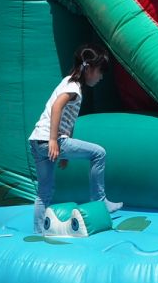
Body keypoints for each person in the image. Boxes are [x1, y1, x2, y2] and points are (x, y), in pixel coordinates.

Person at [27, 44, 121, 234]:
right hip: (49, 140)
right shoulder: (73, 87)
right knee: (99, 153)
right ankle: (100, 200)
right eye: (100, 72)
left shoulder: (68, 82)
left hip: (37, 141)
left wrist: (64, 153)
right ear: (90, 68)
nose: (101, 77)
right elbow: (57, 108)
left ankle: (37, 232)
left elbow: (67, 121)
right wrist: (54, 140)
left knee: (44, 192)